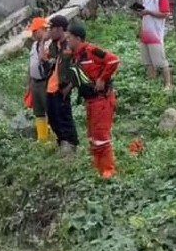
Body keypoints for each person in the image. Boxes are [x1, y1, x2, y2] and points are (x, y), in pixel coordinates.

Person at [64, 21, 121, 179]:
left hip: (102, 100)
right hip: (90, 101)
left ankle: (108, 170)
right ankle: (98, 168)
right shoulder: (75, 56)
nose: (67, 41)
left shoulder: (92, 51)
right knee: (92, 136)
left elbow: (114, 60)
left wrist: (103, 78)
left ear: (77, 38)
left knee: (101, 136)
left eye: (69, 38)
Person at [43, 15, 80, 152]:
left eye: (51, 29)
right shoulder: (54, 45)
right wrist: (42, 41)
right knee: (53, 118)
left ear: (59, 29)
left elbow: (80, 66)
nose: (49, 32)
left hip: (62, 87)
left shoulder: (70, 45)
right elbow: (45, 60)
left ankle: (71, 144)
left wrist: (70, 86)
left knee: (64, 117)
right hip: (51, 87)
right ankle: (62, 142)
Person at [138, 0, 172, 89]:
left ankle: (168, 84)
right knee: (148, 62)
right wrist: (141, 13)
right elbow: (144, 14)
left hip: (156, 35)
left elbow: (166, 14)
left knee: (161, 62)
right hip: (145, 33)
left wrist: (149, 12)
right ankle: (151, 83)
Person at [27, 17, 52, 143]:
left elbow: (44, 59)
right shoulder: (34, 45)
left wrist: (43, 41)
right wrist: (29, 83)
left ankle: (53, 137)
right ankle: (42, 139)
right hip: (35, 83)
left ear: (43, 30)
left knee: (49, 110)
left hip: (45, 82)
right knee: (39, 112)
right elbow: (31, 63)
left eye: (35, 31)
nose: (33, 34)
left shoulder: (49, 44)